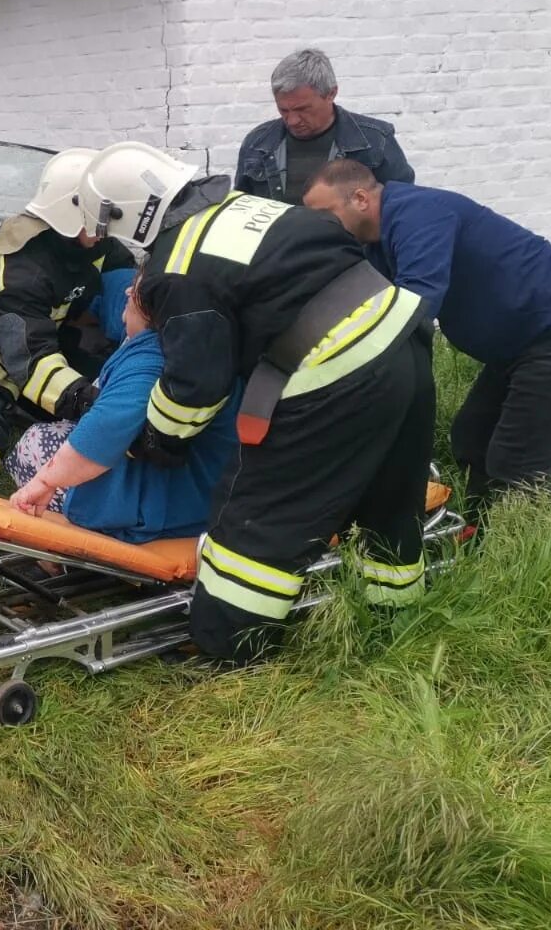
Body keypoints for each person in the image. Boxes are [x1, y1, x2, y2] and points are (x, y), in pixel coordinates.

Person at [74, 140, 434, 664]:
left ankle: (229, 649)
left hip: (334, 367)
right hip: (403, 338)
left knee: (256, 512)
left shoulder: (179, 262)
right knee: (388, 498)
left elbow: (197, 384)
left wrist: (156, 438)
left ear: (125, 214)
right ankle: (393, 627)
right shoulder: (249, 208)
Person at [303, 159, 551, 513]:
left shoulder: (417, 213)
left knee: (519, 464)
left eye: (326, 214)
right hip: (524, 344)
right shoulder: (373, 241)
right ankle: (479, 536)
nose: (320, 226)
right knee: (472, 439)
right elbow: (365, 304)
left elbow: (416, 304)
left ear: (360, 199)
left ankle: (523, 556)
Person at [0, 148, 135, 490]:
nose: (107, 224)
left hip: (44, 338)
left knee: (98, 375)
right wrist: (86, 402)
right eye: (98, 214)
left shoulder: (98, 247)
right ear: (67, 215)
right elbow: (31, 363)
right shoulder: (20, 272)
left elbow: (132, 299)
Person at [7, 272, 242, 544]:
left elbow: (104, 432)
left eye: (138, 290)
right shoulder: (205, 345)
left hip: (163, 515)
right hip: (206, 496)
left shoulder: (151, 361)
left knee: (33, 446)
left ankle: (60, 555)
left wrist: (44, 483)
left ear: (155, 307)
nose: (128, 292)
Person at [235, 48, 414, 205]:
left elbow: (403, 208)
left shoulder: (376, 141)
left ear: (331, 93)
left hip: (351, 244)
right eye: (283, 110)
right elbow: (240, 211)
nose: (292, 120)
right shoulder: (257, 143)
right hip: (277, 245)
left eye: (302, 109)